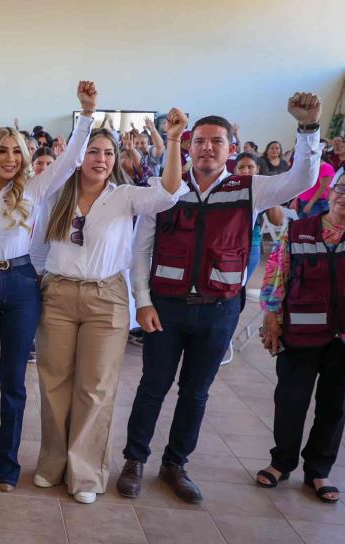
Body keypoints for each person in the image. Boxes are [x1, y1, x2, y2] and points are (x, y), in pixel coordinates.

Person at [118, 93, 324, 504]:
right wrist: (141, 300)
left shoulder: (250, 189)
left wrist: (308, 129)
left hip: (220, 309)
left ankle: (176, 464)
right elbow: (141, 248)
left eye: (217, 141)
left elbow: (302, 180)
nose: (207, 148)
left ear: (232, 148)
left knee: (196, 391)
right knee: (153, 386)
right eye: (200, 141)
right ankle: (134, 461)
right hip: (166, 307)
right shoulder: (166, 190)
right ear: (188, 146)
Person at [0, 82, 97, 492]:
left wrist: (86, 114)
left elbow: (69, 162)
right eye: (2, 150)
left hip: (20, 284)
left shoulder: (34, 189)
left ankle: (7, 466)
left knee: (13, 381)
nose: (10, 158)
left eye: (17, 151)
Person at [34, 111, 188, 505]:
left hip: (106, 299)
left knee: (95, 387)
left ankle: (85, 474)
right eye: (92, 152)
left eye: (107, 153)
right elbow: (38, 247)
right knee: (53, 383)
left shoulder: (124, 196)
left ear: (116, 159)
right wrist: (39, 286)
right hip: (58, 294)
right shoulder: (56, 193)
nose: (100, 159)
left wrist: (172, 140)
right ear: (78, 156)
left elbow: (169, 191)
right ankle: (52, 464)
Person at [256, 176, 345, 503]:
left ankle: (318, 470)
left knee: (335, 407)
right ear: (331, 192)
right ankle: (281, 462)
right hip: (301, 332)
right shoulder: (298, 230)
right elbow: (276, 276)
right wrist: (271, 318)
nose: (344, 197)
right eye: (341, 189)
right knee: (291, 400)